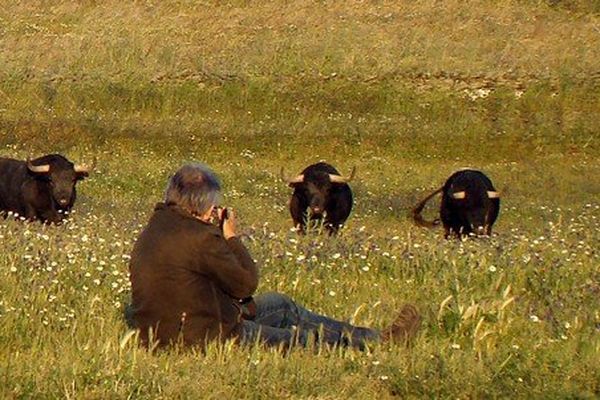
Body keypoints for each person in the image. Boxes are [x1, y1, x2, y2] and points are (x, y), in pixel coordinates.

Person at [127, 163, 421, 350]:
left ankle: (368, 335)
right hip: (207, 337)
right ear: (204, 205)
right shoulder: (201, 236)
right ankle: (379, 342)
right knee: (300, 339)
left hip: (164, 331)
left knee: (280, 305)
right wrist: (230, 236)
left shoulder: (154, 227)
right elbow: (245, 285)